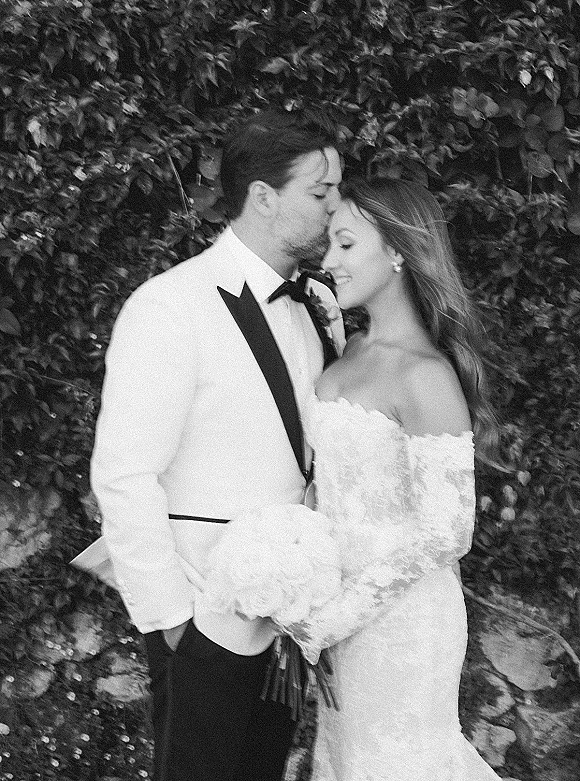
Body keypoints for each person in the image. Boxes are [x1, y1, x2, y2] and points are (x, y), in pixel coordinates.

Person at [89, 108, 344, 781]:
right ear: (262, 197)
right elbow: (123, 474)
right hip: (204, 616)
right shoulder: (170, 306)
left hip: (289, 618)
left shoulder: (318, 301)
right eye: (320, 193)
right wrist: (175, 626)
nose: (335, 208)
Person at [284, 177, 502, 780]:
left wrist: (335, 616)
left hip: (402, 623)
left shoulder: (425, 376)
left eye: (346, 245)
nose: (328, 262)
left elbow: (448, 532)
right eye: (329, 244)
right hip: (341, 621)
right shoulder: (348, 351)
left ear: (399, 251)